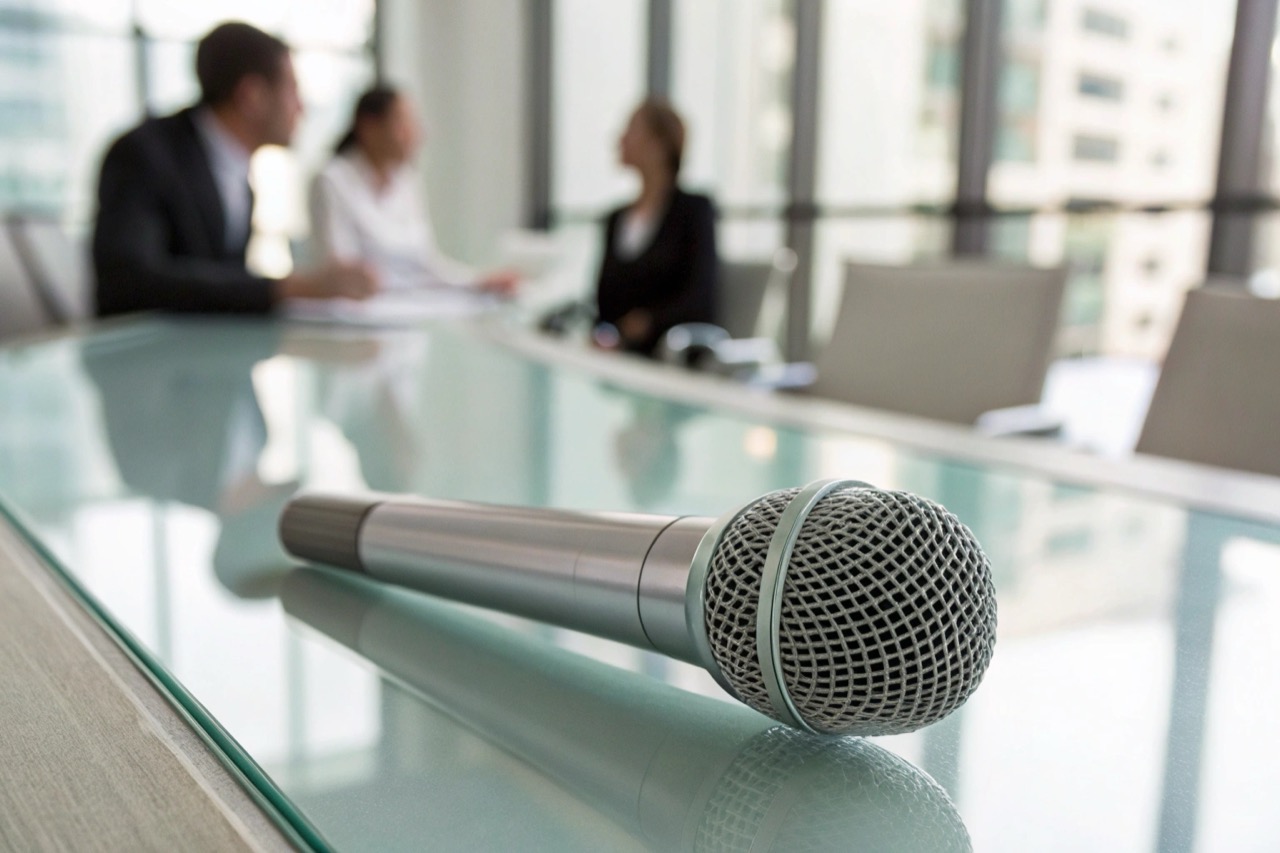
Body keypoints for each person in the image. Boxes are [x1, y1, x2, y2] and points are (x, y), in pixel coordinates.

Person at [92, 21, 377, 317]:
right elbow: (130, 282)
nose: (301, 108)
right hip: (140, 354)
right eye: (292, 89)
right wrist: (287, 287)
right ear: (251, 96)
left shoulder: (237, 171)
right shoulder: (144, 154)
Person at [308, 84, 519, 295]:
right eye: (402, 123)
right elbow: (344, 278)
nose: (416, 135)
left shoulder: (405, 182)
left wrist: (477, 282)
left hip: (408, 308)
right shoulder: (331, 182)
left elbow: (426, 263)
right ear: (369, 127)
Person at [595, 98, 717, 356]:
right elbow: (601, 303)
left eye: (631, 129)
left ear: (659, 144)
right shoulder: (615, 218)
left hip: (672, 359)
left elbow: (700, 298)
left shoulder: (693, 212)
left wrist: (647, 322)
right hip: (616, 358)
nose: (620, 139)